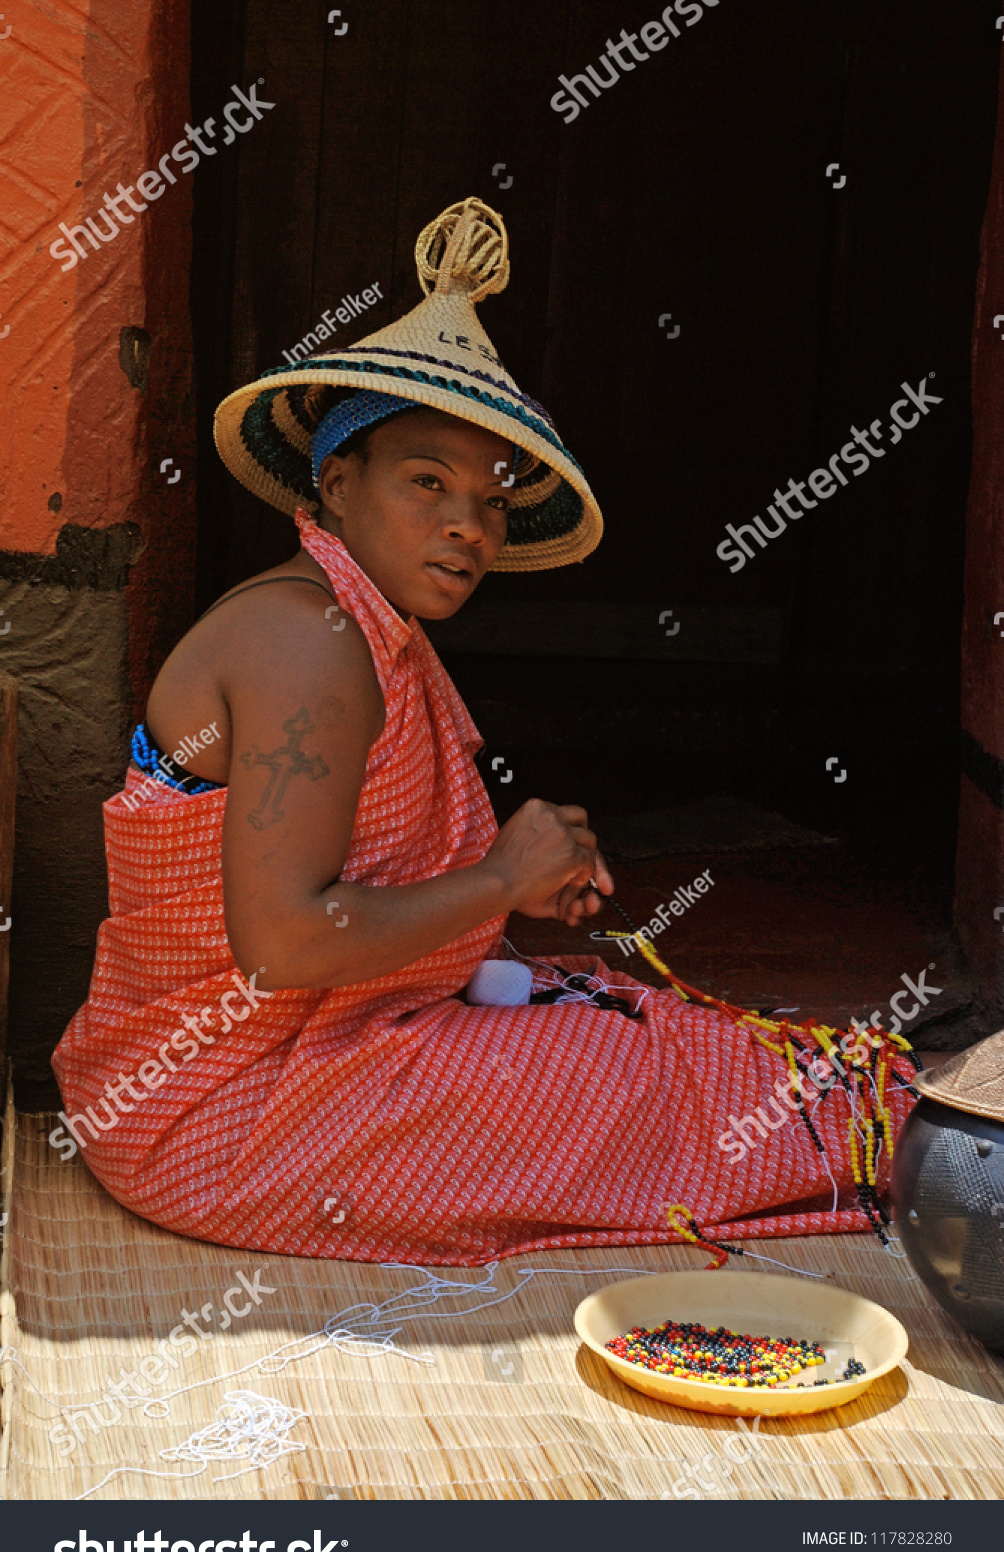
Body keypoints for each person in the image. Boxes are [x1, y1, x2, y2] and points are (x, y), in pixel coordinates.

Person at [51, 198, 917, 1263]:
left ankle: (908, 1126)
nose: (469, 523)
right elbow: (279, 946)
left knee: (643, 1028)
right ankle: (929, 1144)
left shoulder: (357, 626)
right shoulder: (306, 640)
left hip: (285, 1067)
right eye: (427, 482)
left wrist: (501, 891)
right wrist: (497, 882)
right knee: (645, 1088)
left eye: (493, 500)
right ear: (334, 482)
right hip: (225, 1107)